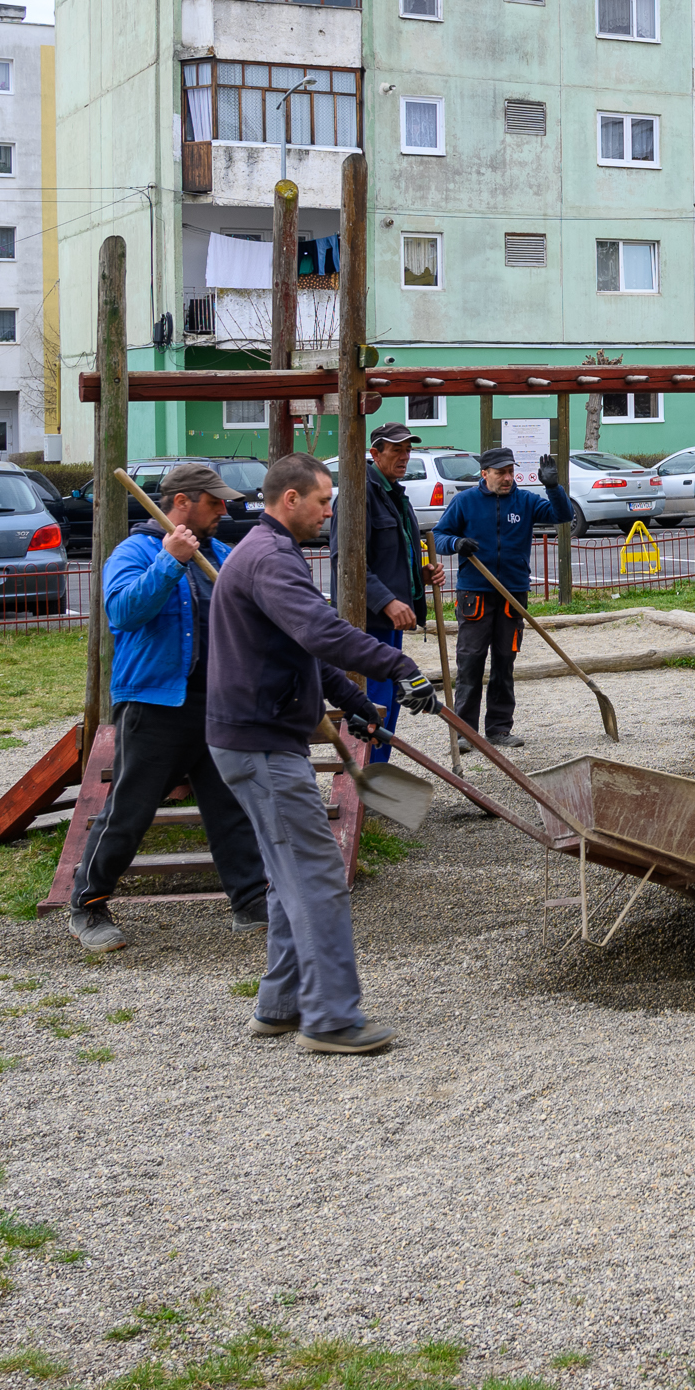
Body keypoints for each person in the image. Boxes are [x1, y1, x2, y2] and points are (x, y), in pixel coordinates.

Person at [208, 450, 436, 1055]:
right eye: (322, 500)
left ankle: (281, 1006)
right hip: (259, 745)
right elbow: (321, 632)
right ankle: (331, 1018)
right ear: (290, 500)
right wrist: (399, 665)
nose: (329, 511)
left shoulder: (266, 554)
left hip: (254, 738)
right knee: (317, 879)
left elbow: (300, 651)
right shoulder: (269, 560)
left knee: (289, 881)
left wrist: (353, 702)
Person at [66, 461, 270, 953]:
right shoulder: (135, 551)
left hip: (217, 702)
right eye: (214, 501)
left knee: (230, 805)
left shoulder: (221, 554)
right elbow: (122, 612)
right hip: (155, 701)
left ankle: (250, 901)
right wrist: (170, 561)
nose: (225, 509)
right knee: (130, 810)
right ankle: (87, 906)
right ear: (182, 503)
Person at [431, 445, 585, 743]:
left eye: (511, 472)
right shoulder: (465, 502)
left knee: (504, 662)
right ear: (484, 473)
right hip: (474, 594)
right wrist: (457, 543)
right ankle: (465, 733)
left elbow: (562, 515)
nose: (507, 478)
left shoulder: (525, 501)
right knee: (471, 662)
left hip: (512, 594)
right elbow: (438, 536)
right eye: (501, 472)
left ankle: (500, 729)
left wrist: (553, 487)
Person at [341, 424, 428, 763]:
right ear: (375, 454)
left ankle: (378, 774)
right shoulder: (358, 494)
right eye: (396, 450)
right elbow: (347, 561)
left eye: (407, 450)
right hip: (370, 621)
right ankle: (362, 778)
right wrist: (387, 601)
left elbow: (392, 557)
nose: (404, 456)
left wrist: (420, 577)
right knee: (372, 702)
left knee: (391, 698)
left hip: (392, 620)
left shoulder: (394, 493)